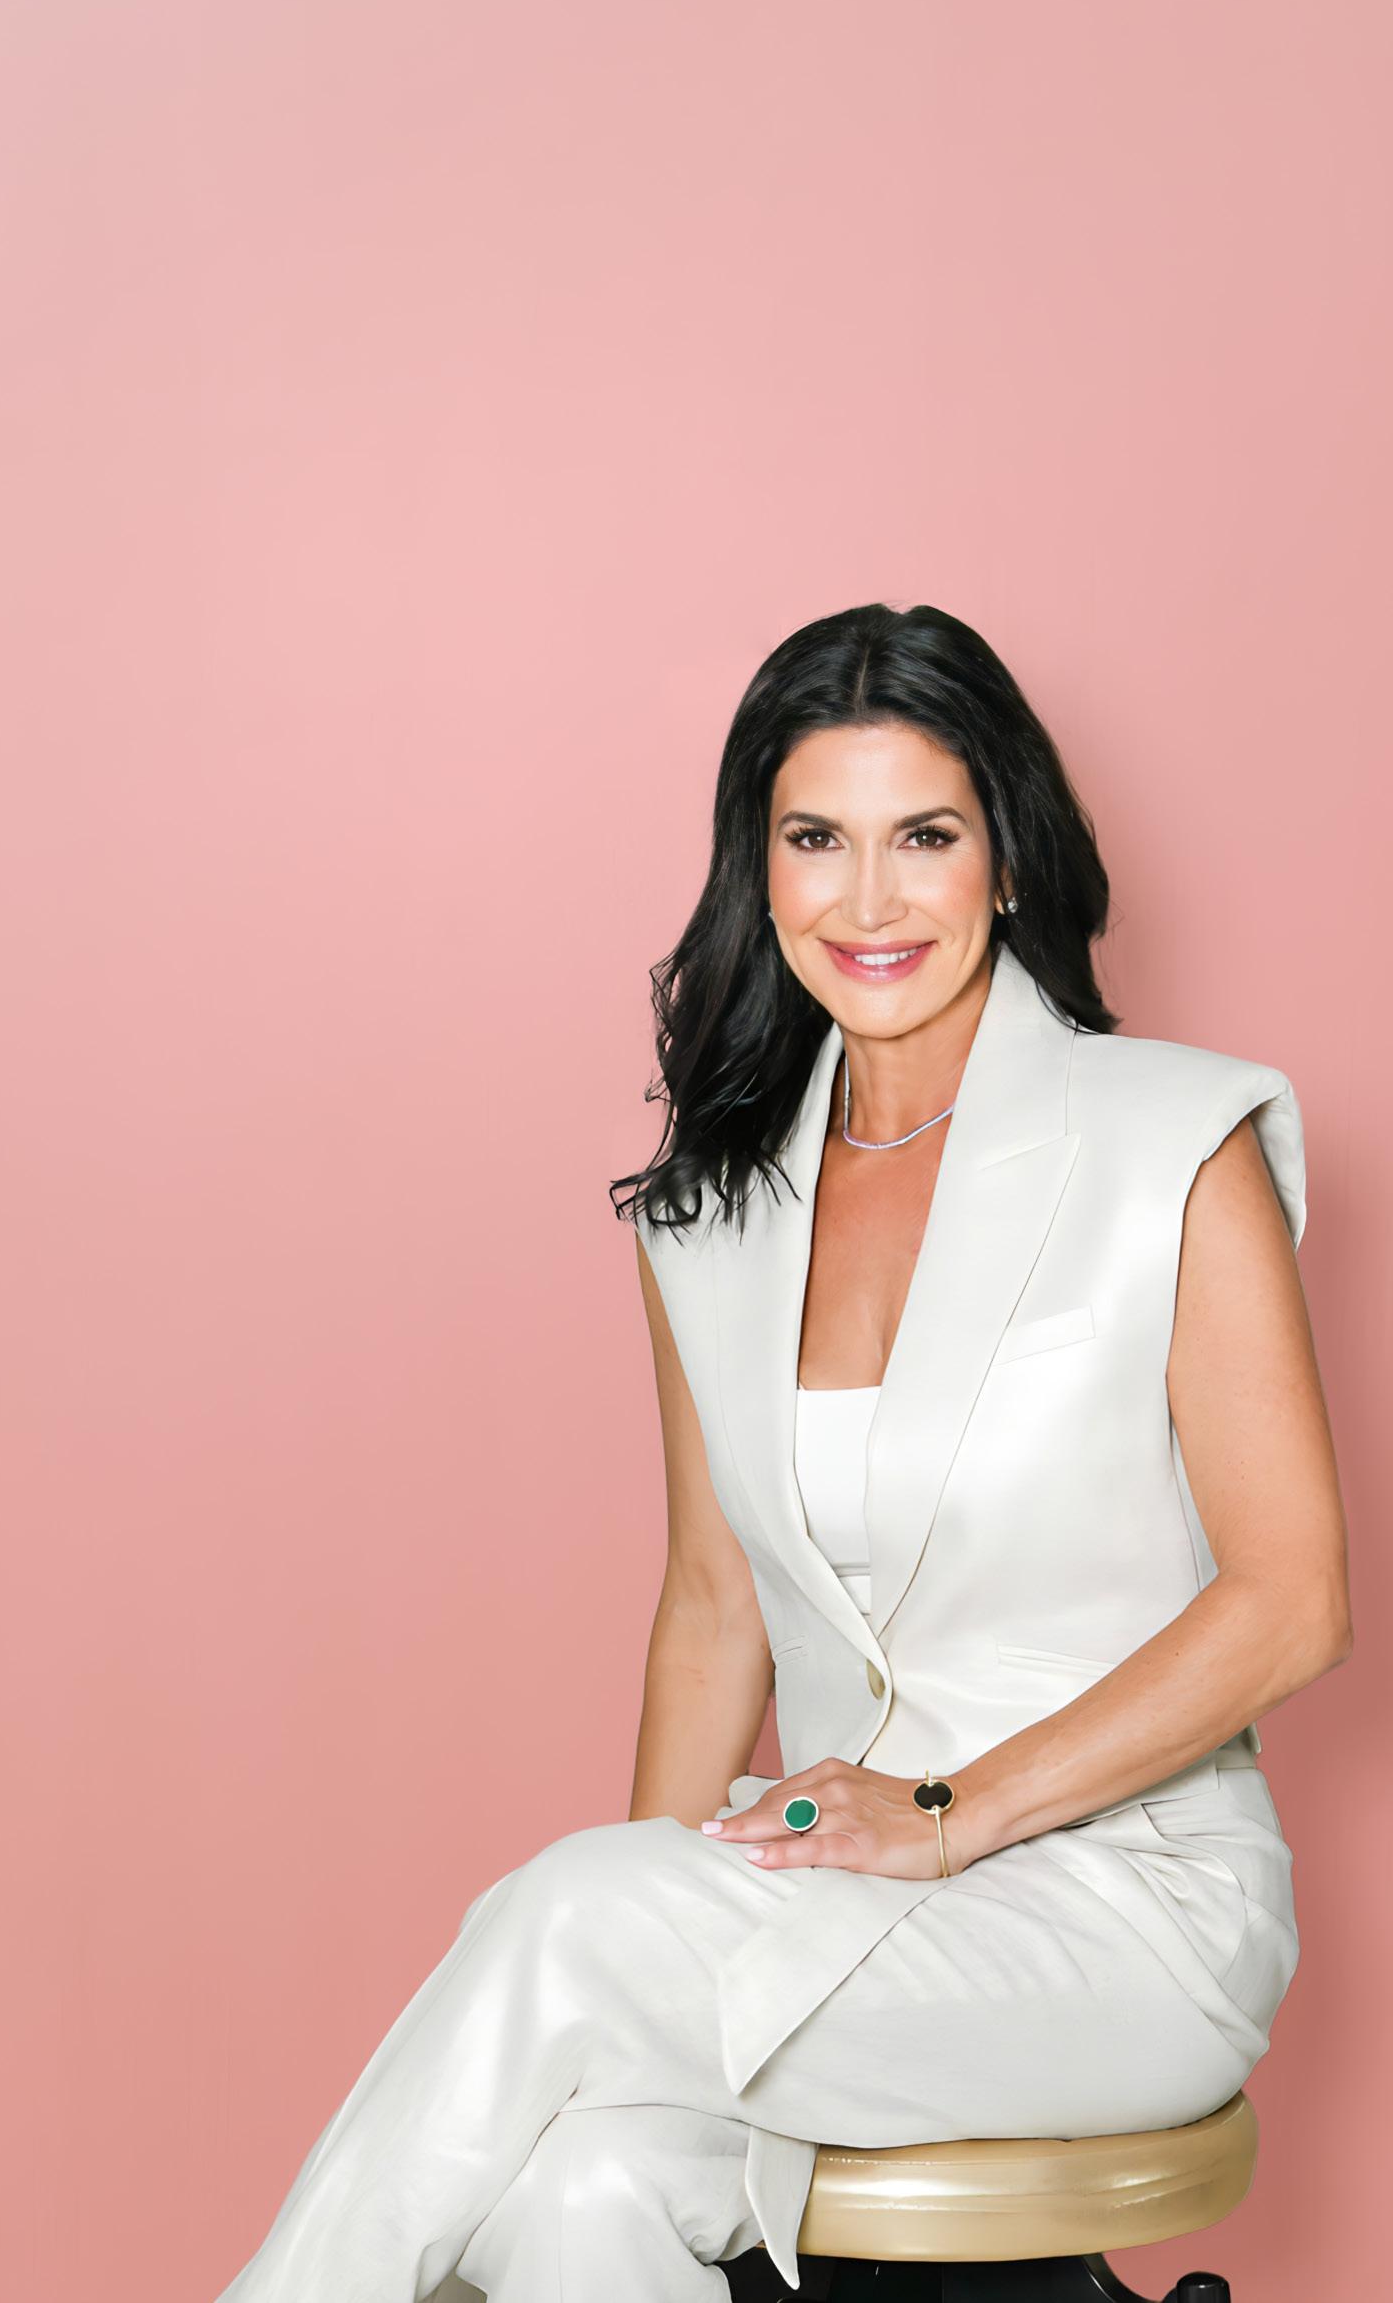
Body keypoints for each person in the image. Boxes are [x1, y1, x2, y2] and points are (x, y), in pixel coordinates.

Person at [215, 601, 1350, 2303]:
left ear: (1008, 859)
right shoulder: (711, 1216)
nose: (870, 898)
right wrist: (655, 1927)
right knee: (582, 2174)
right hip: (829, 1897)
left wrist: (949, 1813)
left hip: (1122, 1908)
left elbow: (1293, 1599)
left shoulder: (1171, 1142)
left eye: (926, 836)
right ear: (760, 871)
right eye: (817, 838)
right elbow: (710, 1605)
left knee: (570, 1915)